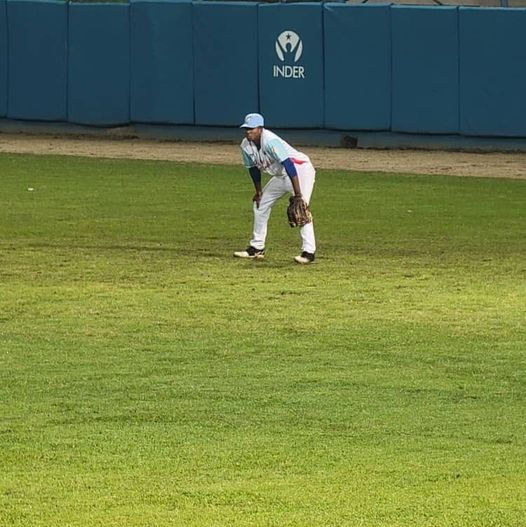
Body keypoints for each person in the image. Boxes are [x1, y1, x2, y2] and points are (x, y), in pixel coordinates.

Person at [233, 113, 316, 264]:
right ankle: (257, 248)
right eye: (246, 129)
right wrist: (259, 192)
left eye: (251, 129)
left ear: (260, 128)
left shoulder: (271, 141)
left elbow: (289, 165)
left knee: (301, 208)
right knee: (260, 203)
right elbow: (253, 169)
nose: (248, 132)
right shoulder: (245, 145)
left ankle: (308, 252)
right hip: (281, 175)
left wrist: (298, 195)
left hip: (300, 170)